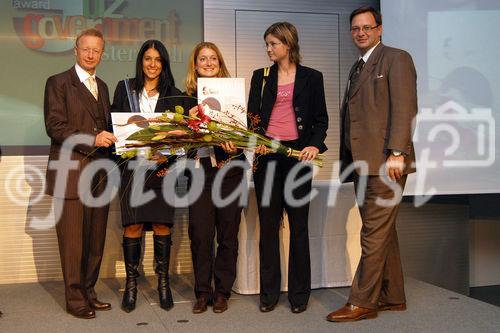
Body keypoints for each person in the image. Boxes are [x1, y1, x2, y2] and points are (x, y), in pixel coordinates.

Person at [327, 6, 417, 322]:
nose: (361, 33)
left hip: (386, 163)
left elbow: (405, 108)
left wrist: (397, 152)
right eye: (355, 28)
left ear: (379, 29)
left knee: (373, 234)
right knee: (380, 232)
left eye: (367, 27)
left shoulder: (396, 58)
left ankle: (363, 302)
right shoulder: (357, 67)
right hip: (362, 164)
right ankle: (393, 296)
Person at [247, 22, 329, 314]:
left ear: (288, 44)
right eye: (266, 44)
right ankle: (268, 294)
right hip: (267, 159)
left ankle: (299, 295)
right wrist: (256, 141)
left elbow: (321, 119)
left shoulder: (311, 77)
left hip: (298, 159)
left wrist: (315, 145)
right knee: (268, 228)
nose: (268, 49)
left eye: (273, 44)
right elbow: (252, 120)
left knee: (298, 228)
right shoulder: (261, 76)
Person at [44, 28, 117, 319]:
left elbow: (109, 129)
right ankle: (75, 300)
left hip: (98, 174)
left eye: (96, 50)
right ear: (75, 50)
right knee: (73, 243)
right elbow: (55, 126)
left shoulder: (103, 85)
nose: (90, 54)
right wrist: (93, 137)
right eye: (85, 49)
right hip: (70, 172)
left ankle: (88, 291)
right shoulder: (58, 82)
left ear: (102, 53)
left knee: (95, 241)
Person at [110, 40, 183, 313]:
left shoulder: (175, 94)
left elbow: (184, 139)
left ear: (164, 64)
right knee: (133, 227)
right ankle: (132, 286)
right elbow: (113, 125)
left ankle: (163, 284)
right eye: (147, 58)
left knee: (163, 226)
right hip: (132, 170)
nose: (152, 64)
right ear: (141, 61)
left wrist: (170, 154)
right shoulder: (124, 88)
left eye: (158, 59)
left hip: (162, 171)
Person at [184, 42, 248, 314]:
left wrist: (237, 145)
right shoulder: (185, 99)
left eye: (213, 59)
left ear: (220, 63)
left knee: (228, 234)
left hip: (230, 171)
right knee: (200, 234)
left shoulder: (235, 96)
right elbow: (178, 145)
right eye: (202, 59)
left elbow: (245, 135)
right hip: (200, 173)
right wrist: (189, 124)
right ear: (195, 65)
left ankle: (222, 292)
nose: (208, 63)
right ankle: (202, 291)